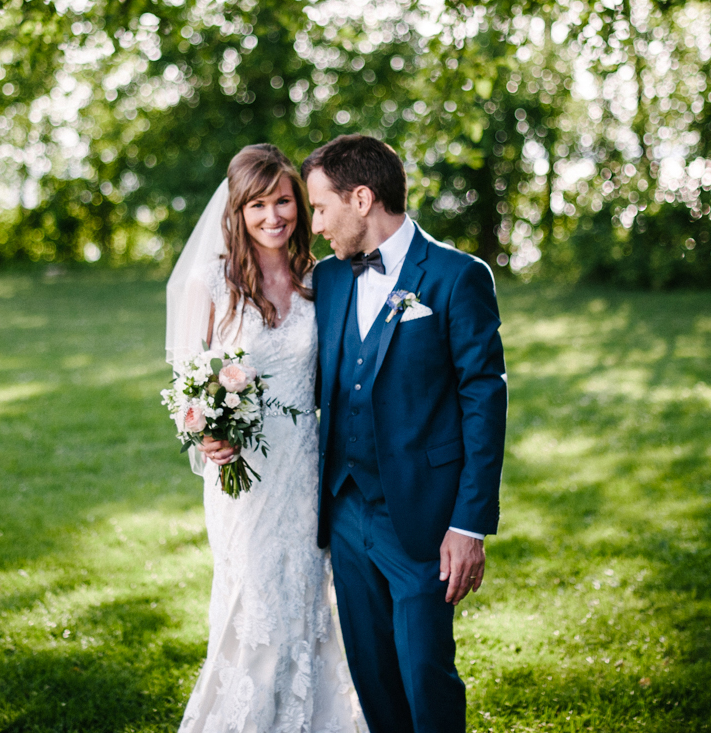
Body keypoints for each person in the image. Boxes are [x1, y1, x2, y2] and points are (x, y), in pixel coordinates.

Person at [302, 134, 508, 733]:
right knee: (373, 677)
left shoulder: (456, 276)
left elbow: (483, 401)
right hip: (344, 511)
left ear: (361, 198)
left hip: (422, 519)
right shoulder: (331, 279)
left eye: (321, 208)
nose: (315, 225)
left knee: (425, 677)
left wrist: (468, 524)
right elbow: (309, 381)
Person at [165, 144, 365, 733]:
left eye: (284, 201)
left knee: (306, 602)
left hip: (306, 472)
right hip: (244, 481)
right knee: (254, 607)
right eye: (259, 204)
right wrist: (204, 435)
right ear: (238, 208)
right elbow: (186, 386)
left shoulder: (318, 278)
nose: (274, 215)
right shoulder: (213, 281)